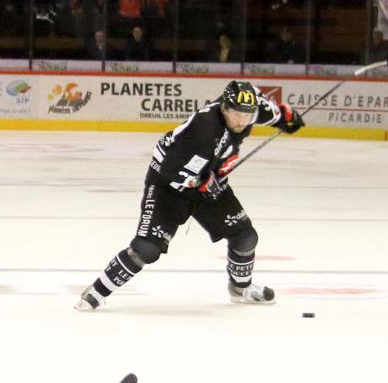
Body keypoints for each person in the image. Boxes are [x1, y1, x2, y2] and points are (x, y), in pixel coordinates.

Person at [75, 80, 305, 311]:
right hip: (168, 188)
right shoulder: (203, 130)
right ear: (224, 108)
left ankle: (241, 289)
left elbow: (262, 106)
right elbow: (170, 170)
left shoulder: (243, 110)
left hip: (208, 184)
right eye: (237, 115)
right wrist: (203, 182)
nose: (242, 121)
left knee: (245, 237)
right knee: (147, 249)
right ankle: (97, 291)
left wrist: (284, 117)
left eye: (247, 116)